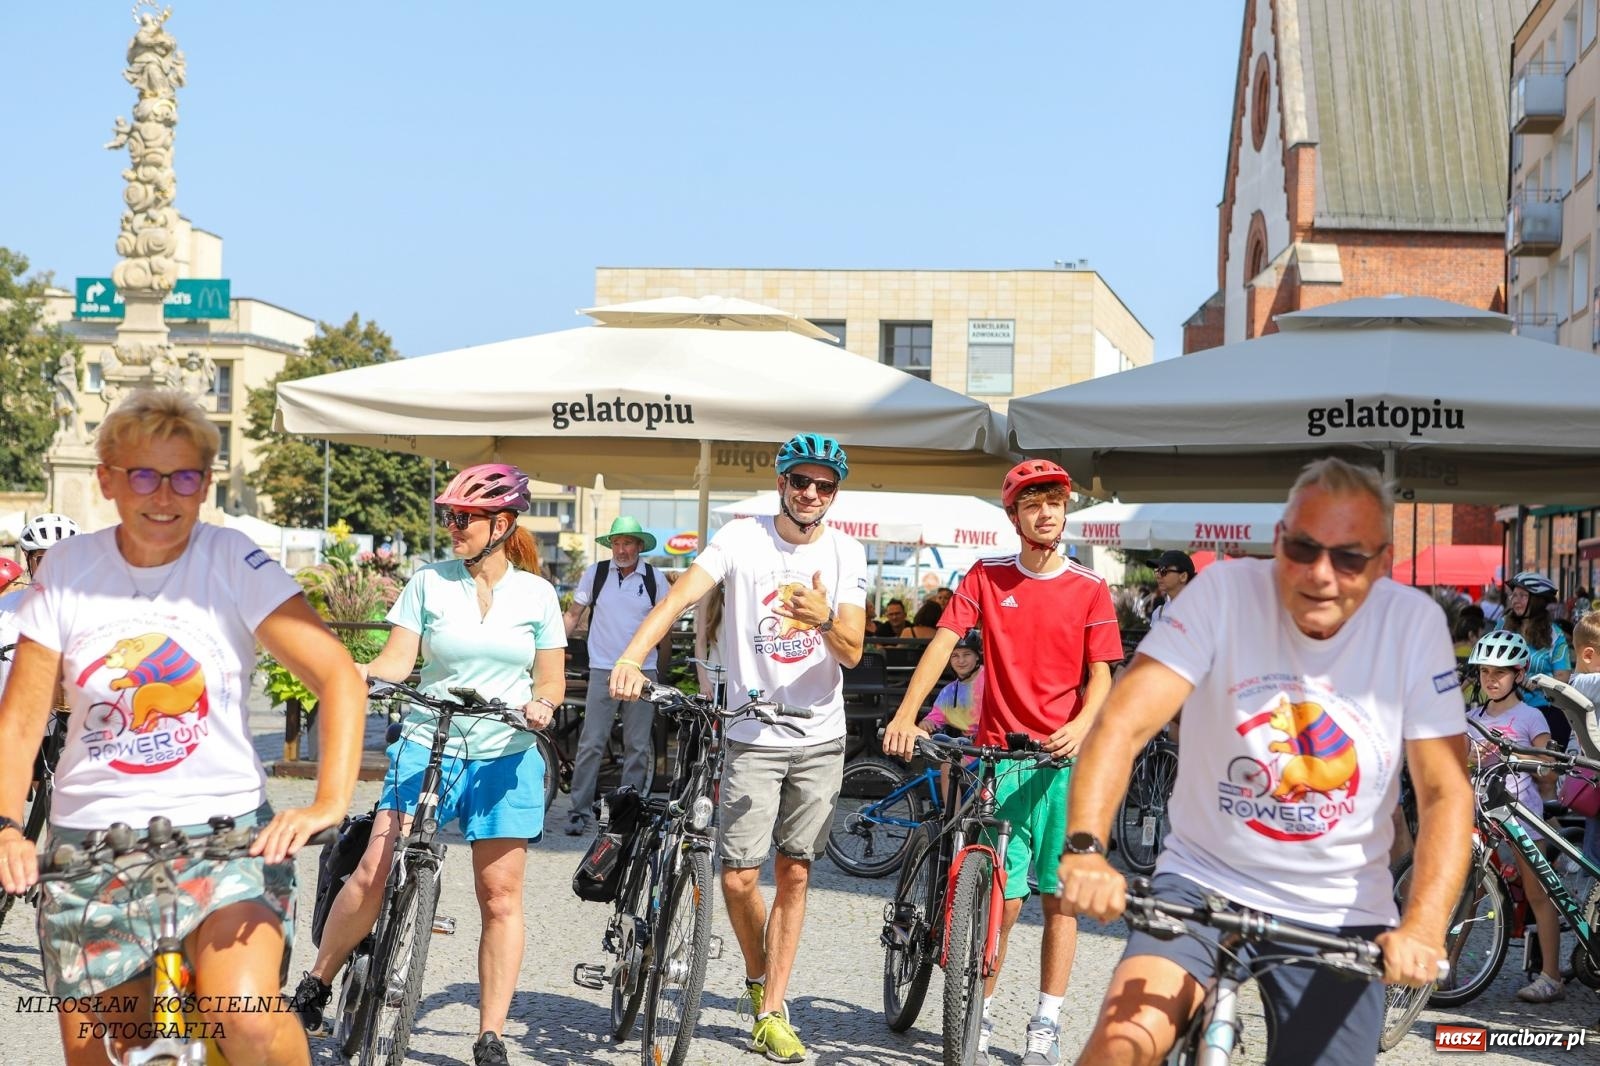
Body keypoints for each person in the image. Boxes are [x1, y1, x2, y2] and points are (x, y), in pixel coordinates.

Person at [1057, 456, 1473, 1066]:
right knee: (1120, 1047)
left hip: (1340, 909)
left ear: (1383, 561)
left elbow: (1446, 792)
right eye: (1303, 549)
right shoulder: (1222, 593)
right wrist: (1086, 849)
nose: (1321, 574)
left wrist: (1424, 926)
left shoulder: (1412, 625)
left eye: (1349, 557)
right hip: (1202, 880)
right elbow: (1124, 722)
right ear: (1278, 540)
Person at [0, 388, 365, 1066]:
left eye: (185, 477)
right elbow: (20, 722)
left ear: (207, 483)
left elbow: (338, 675)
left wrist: (328, 802)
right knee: (110, 1046)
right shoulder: (69, 571)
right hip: (92, 843)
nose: (164, 495)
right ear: (107, 479)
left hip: (224, 837)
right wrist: (5, 827)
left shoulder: (233, 560)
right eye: (143, 475)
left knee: (244, 1017)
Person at [289, 462, 566, 1066]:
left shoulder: (538, 595)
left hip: (506, 752)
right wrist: (360, 673)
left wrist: (542, 705)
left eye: (464, 518)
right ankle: (316, 981)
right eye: (449, 517)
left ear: (501, 524)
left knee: (500, 895)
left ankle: (490, 1035)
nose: (452, 527)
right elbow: (397, 660)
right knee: (375, 865)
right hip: (429, 741)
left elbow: (551, 679)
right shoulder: (428, 582)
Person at [610, 432, 867, 1063]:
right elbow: (677, 598)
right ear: (782, 483)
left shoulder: (847, 551)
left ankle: (772, 1009)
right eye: (801, 481)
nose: (811, 493)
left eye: (824, 485)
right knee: (739, 875)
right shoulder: (740, 538)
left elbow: (854, 652)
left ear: (834, 494)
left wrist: (823, 617)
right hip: (751, 732)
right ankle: (758, 974)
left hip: (819, 734)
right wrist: (631, 657)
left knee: (796, 870)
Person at [883, 458, 1123, 1066]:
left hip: (1064, 764)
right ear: (1014, 516)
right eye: (1033, 504)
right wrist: (907, 715)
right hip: (1001, 758)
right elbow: (942, 643)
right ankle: (979, 1010)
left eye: (1055, 503)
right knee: (1004, 902)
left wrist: (1081, 726)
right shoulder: (986, 575)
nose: (1046, 514)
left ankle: (1047, 1022)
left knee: (1060, 901)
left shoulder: (1090, 587)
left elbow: (1102, 674)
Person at [1463, 630, 1564, 1003]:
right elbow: (1457, 761)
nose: (1491, 679)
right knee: (1468, 894)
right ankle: (1446, 968)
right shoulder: (1471, 717)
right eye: (1485, 671)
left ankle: (1551, 976)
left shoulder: (1530, 716)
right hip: (1480, 816)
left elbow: (1547, 764)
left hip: (1522, 816)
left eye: (1501, 672)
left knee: (1539, 893)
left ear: (1518, 674)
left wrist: (1516, 755)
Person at [561, 515, 672, 836]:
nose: (621, 549)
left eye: (628, 543)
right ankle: (579, 811)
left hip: (641, 670)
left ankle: (627, 814)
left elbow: (665, 624)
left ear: (639, 546)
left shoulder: (654, 578)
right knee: (591, 743)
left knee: (637, 745)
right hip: (602, 668)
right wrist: (552, 651)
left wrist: (660, 671)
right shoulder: (595, 573)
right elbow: (573, 615)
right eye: (617, 543)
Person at [1501, 570, 1574, 750]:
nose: (1515, 600)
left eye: (1522, 595)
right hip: (1506, 706)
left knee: (1549, 761)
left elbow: (1563, 676)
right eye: (1514, 595)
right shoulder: (1502, 626)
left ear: (1537, 601)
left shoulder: (1555, 634)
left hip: (1544, 710)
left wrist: (1538, 683)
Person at [917, 629, 984, 737]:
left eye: (967, 654)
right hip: (965, 743)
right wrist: (926, 723)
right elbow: (935, 718)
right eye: (955, 655)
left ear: (977, 656)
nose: (961, 661)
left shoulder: (991, 680)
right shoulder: (948, 691)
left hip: (993, 742)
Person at [1147, 549, 1194, 625]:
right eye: (1157, 571)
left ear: (1183, 576)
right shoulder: (1159, 613)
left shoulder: (1200, 610)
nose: (1158, 576)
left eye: (1163, 571)